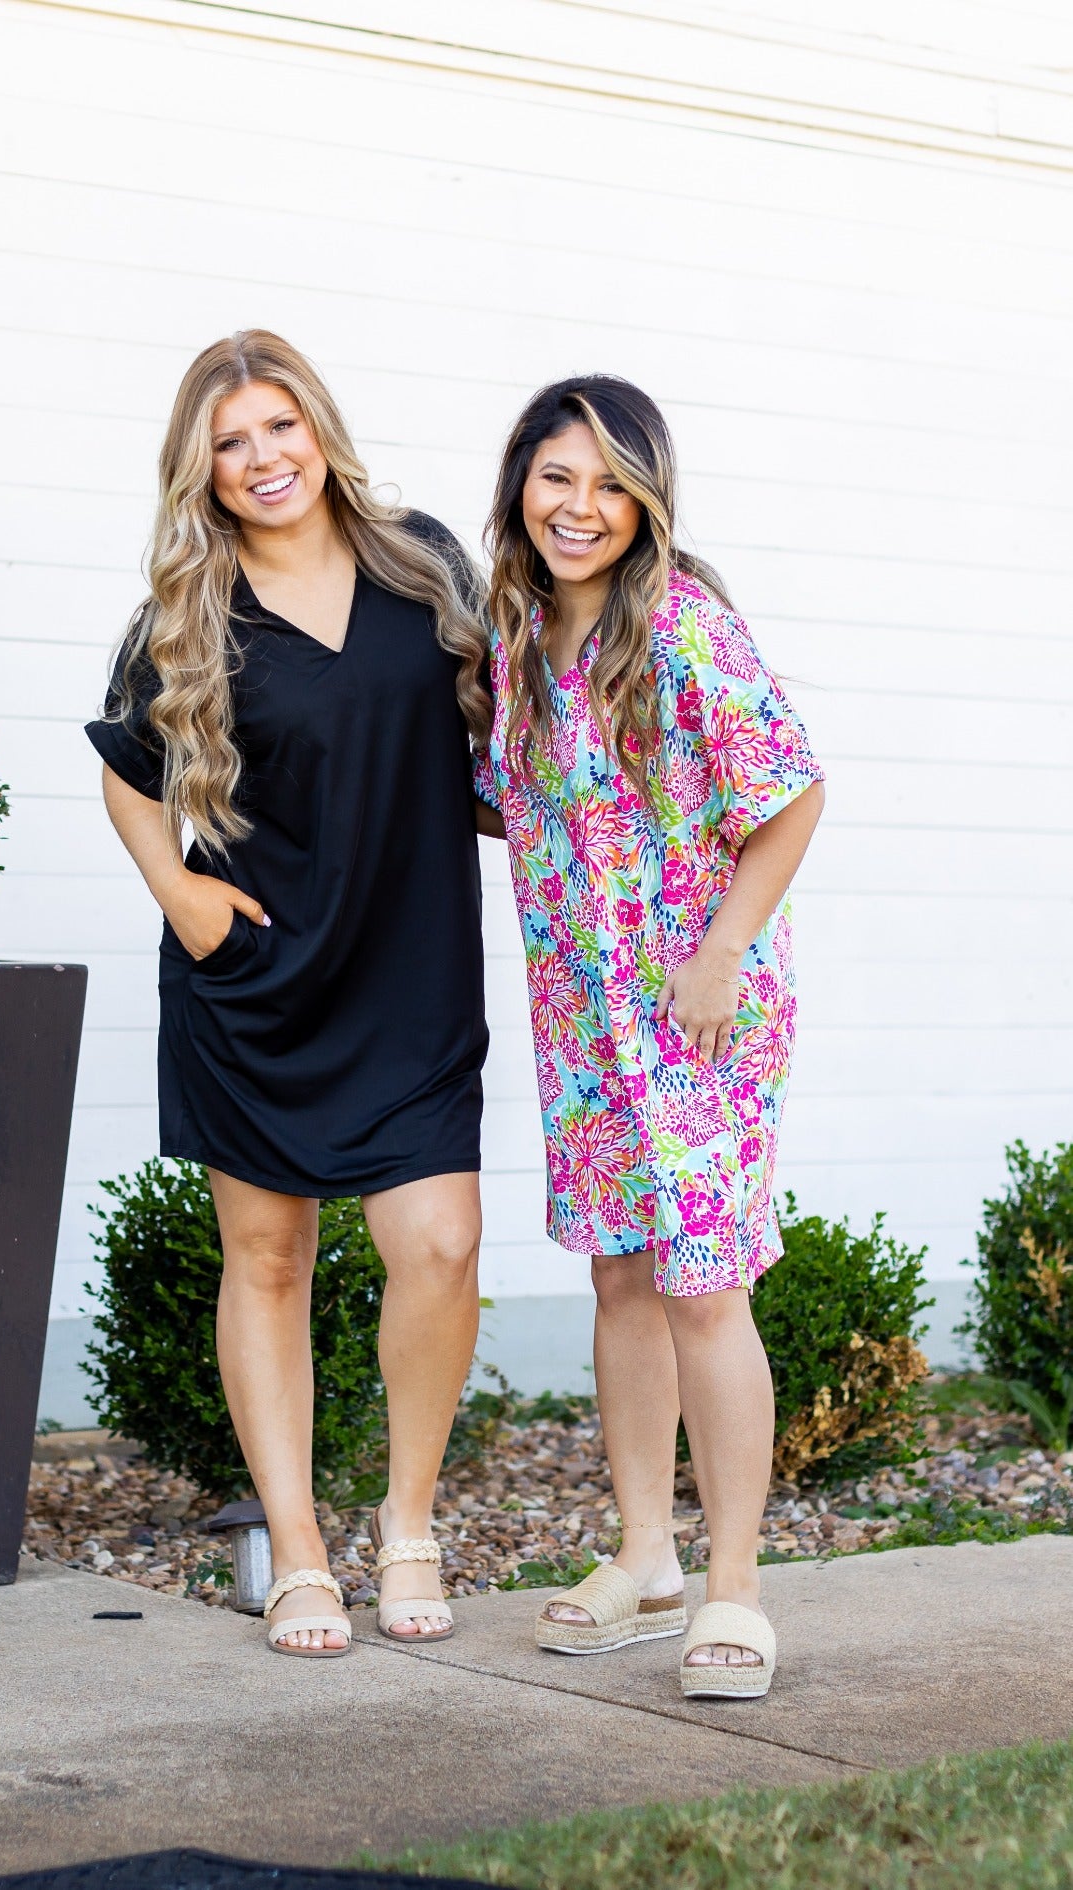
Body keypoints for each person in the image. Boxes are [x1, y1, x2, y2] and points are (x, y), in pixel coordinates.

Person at [87, 331, 492, 1657]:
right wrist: (183, 896)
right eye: (231, 442)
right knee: (268, 1259)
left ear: (320, 429)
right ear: (200, 468)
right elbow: (127, 773)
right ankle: (299, 1549)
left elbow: (502, 730)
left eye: (280, 426)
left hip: (411, 971)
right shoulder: (187, 611)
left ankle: (409, 1523)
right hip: (256, 978)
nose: (263, 458)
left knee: (439, 1243)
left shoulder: (422, 563)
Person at [474, 375, 825, 1699]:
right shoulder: (516, 640)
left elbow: (791, 794)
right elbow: (521, 805)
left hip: (700, 1010)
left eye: (612, 485)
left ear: (648, 501)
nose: (581, 507)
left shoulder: (685, 624)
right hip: (584, 1015)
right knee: (621, 1279)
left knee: (704, 1287)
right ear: (521, 484)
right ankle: (646, 1558)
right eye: (558, 477)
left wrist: (721, 952)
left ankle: (733, 1583)